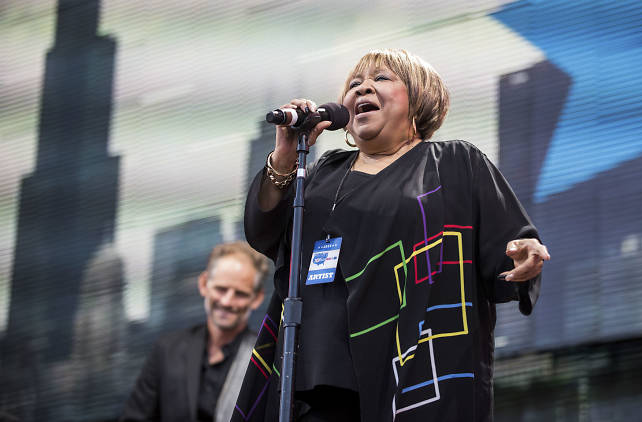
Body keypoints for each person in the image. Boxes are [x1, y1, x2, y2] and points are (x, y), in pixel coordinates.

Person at [233, 48, 550, 422]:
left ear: (419, 99)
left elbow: (510, 242)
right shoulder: (321, 172)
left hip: (409, 372)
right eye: (354, 84)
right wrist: (285, 157)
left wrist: (523, 251)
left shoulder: (454, 164)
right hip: (311, 380)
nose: (363, 87)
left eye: (380, 79)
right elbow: (264, 230)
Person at [121, 241, 269, 422]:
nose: (227, 301)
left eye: (240, 294)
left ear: (257, 298)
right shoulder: (168, 350)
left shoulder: (265, 358)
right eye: (221, 289)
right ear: (204, 284)